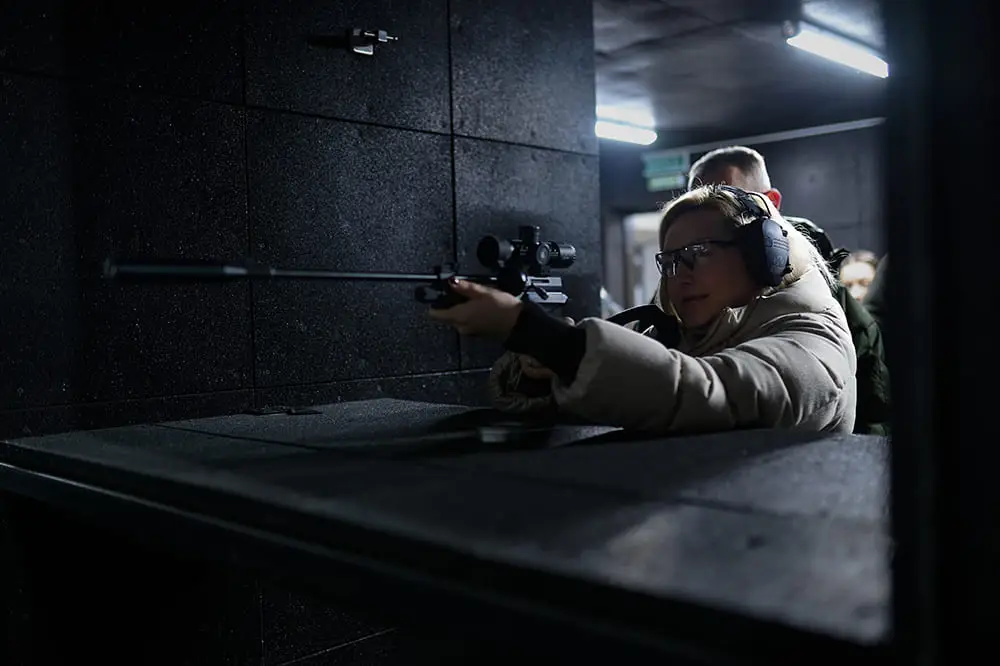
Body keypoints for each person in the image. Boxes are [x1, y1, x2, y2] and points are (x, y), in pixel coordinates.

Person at [429, 185, 857, 434]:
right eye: (670, 262)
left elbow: (711, 391)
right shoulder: (689, 333)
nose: (679, 276)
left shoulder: (814, 336)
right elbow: (627, 384)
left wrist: (535, 332)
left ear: (763, 255)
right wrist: (543, 369)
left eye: (698, 254)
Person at [685, 146, 890, 435]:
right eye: (696, 208)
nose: (710, 225)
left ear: (771, 202)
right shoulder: (679, 289)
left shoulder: (830, 304)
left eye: (728, 202)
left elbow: (873, 414)